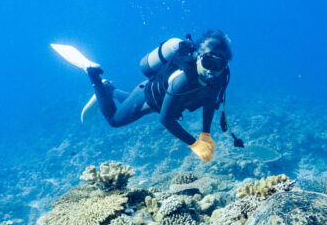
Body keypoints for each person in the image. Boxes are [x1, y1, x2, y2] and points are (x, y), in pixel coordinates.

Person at [85, 30, 232, 162]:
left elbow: (209, 102)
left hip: (162, 101)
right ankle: (96, 80)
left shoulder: (218, 79)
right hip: (146, 97)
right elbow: (165, 119)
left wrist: (206, 134)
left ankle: (110, 90)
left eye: (218, 65)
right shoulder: (182, 80)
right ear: (198, 57)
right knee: (114, 120)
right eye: (208, 62)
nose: (211, 70)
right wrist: (194, 144)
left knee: (128, 104)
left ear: (224, 66)